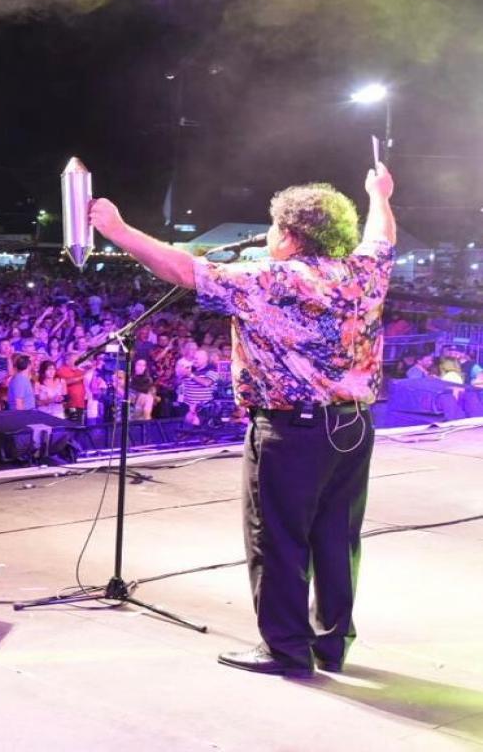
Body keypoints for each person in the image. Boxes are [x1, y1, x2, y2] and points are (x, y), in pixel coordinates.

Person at [89, 160, 395, 677]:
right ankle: (331, 642)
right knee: (338, 538)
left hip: (291, 431)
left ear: (292, 235)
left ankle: (285, 650)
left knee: (277, 538)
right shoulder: (363, 273)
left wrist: (117, 230)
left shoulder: (272, 278)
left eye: (275, 226)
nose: (269, 234)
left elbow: (182, 270)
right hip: (353, 427)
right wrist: (380, 195)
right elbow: (380, 236)